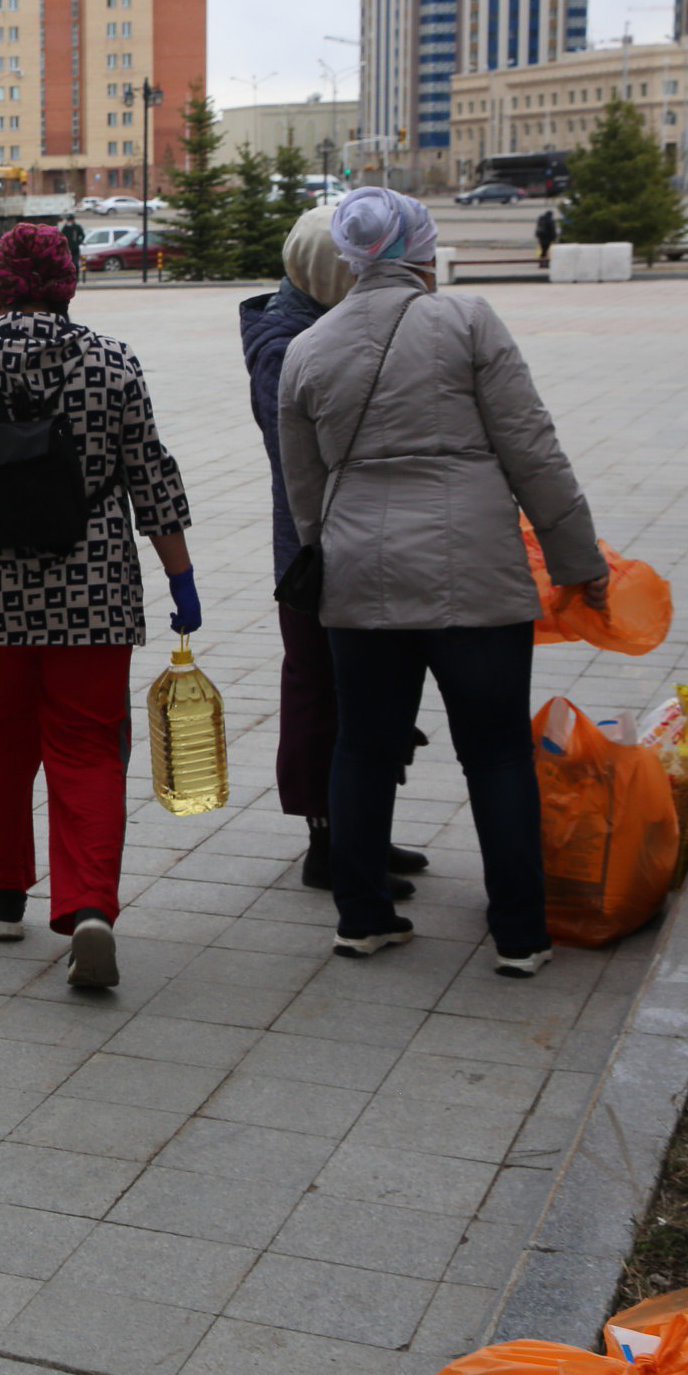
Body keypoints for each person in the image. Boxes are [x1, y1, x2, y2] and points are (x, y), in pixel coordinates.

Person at [278, 187, 608, 976]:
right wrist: (579, 562)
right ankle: (520, 935)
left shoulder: (308, 349)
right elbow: (533, 450)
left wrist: (334, 553)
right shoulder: (468, 321)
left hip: (360, 578)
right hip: (477, 576)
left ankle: (362, 919)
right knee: (496, 753)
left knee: (362, 748)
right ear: (421, 251)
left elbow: (304, 493)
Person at [0, 221, 198, 990]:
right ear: (70, 281)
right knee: (88, 745)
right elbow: (151, 477)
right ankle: (89, 906)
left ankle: (5, 896)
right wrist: (181, 578)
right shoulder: (113, 361)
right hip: (94, 587)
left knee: (1, 738)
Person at [240, 207, 430, 902]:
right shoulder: (284, 344)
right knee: (321, 692)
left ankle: (364, 830)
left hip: (363, 537)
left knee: (370, 692)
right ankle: (329, 843)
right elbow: (307, 453)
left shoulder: (325, 324)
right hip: (314, 554)